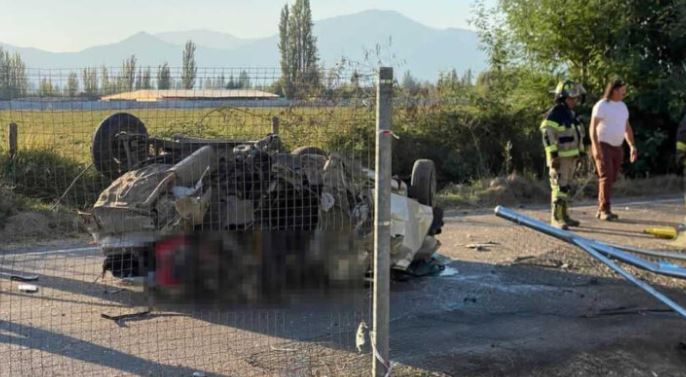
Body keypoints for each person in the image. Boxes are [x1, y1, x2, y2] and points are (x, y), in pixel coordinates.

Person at [540, 80, 587, 229]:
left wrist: (580, 153)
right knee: (559, 188)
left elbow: (577, 134)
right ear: (563, 98)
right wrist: (553, 155)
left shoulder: (570, 114)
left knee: (566, 188)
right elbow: (547, 134)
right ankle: (557, 219)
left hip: (570, 157)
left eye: (576, 98)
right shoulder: (555, 114)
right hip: (559, 158)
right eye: (572, 98)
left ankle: (564, 215)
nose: (575, 101)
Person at [590, 79, 637, 221]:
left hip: (617, 147)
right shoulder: (602, 105)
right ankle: (605, 210)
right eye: (623, 90)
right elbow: (592, 128)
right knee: (606, 176)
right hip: (603, 145)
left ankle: (601, 208)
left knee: (612, 177)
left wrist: (631, 146)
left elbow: (627, 127)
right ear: (615, 90)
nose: (625, 93)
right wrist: (596, 147)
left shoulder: (623, 106)